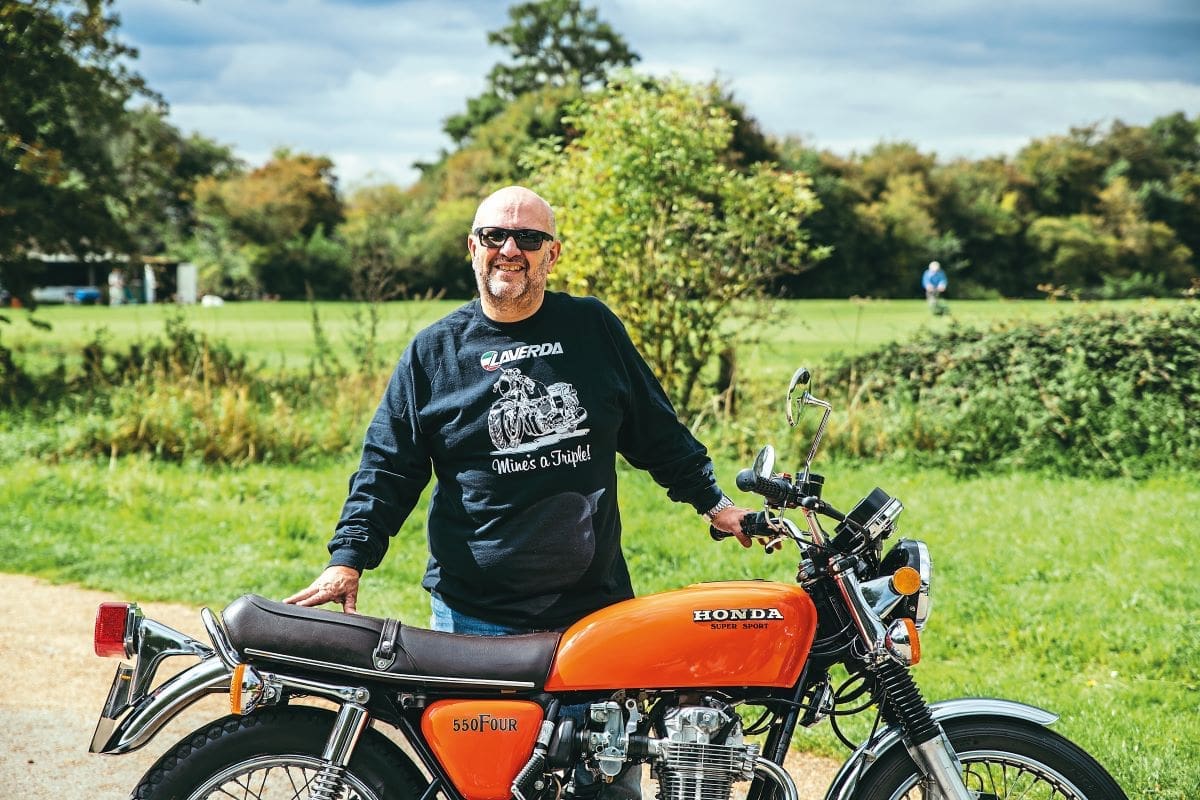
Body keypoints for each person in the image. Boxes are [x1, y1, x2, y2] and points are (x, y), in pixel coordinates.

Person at [285, 186, 753, 636]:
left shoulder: (592, 328)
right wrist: (347, 558)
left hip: (594, 607)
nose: (510, 249)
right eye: (495, 236)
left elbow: (656, 432)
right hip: (473, 614)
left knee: (605, 722)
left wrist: (716, 504)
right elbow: (387, 467)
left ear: (552, 254)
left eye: (529, 238)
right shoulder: (434, 352)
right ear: (473, 246)